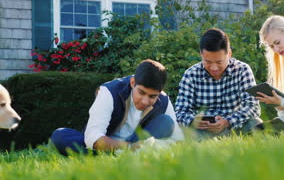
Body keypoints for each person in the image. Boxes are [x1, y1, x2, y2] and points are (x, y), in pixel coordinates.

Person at [51, 59, 184, 155]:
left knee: (166, 121)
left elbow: (178, 140)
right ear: (133, 83)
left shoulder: (163, 100)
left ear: (159, 93)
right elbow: (93, 136)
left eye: (152, 96)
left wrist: (157, 145)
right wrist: (129, 147)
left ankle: (124, 155)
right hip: (108, 142)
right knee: (61, 136)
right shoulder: (109, 91)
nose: (145, 101)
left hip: (139, 142)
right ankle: (124, 154)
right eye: (141, 93)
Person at [175, 28, 262, 137]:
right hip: (203, 131)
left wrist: (227, 121)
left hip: (234, 126)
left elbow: (253, 107)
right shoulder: (191, 75)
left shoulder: (242, 70)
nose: (214, 67)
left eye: (219, 62)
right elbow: (180, 111)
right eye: (208, 62)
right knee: (186, 131)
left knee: (256, 123)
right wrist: (193, 121)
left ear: (229, 54)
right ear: (201, 55)